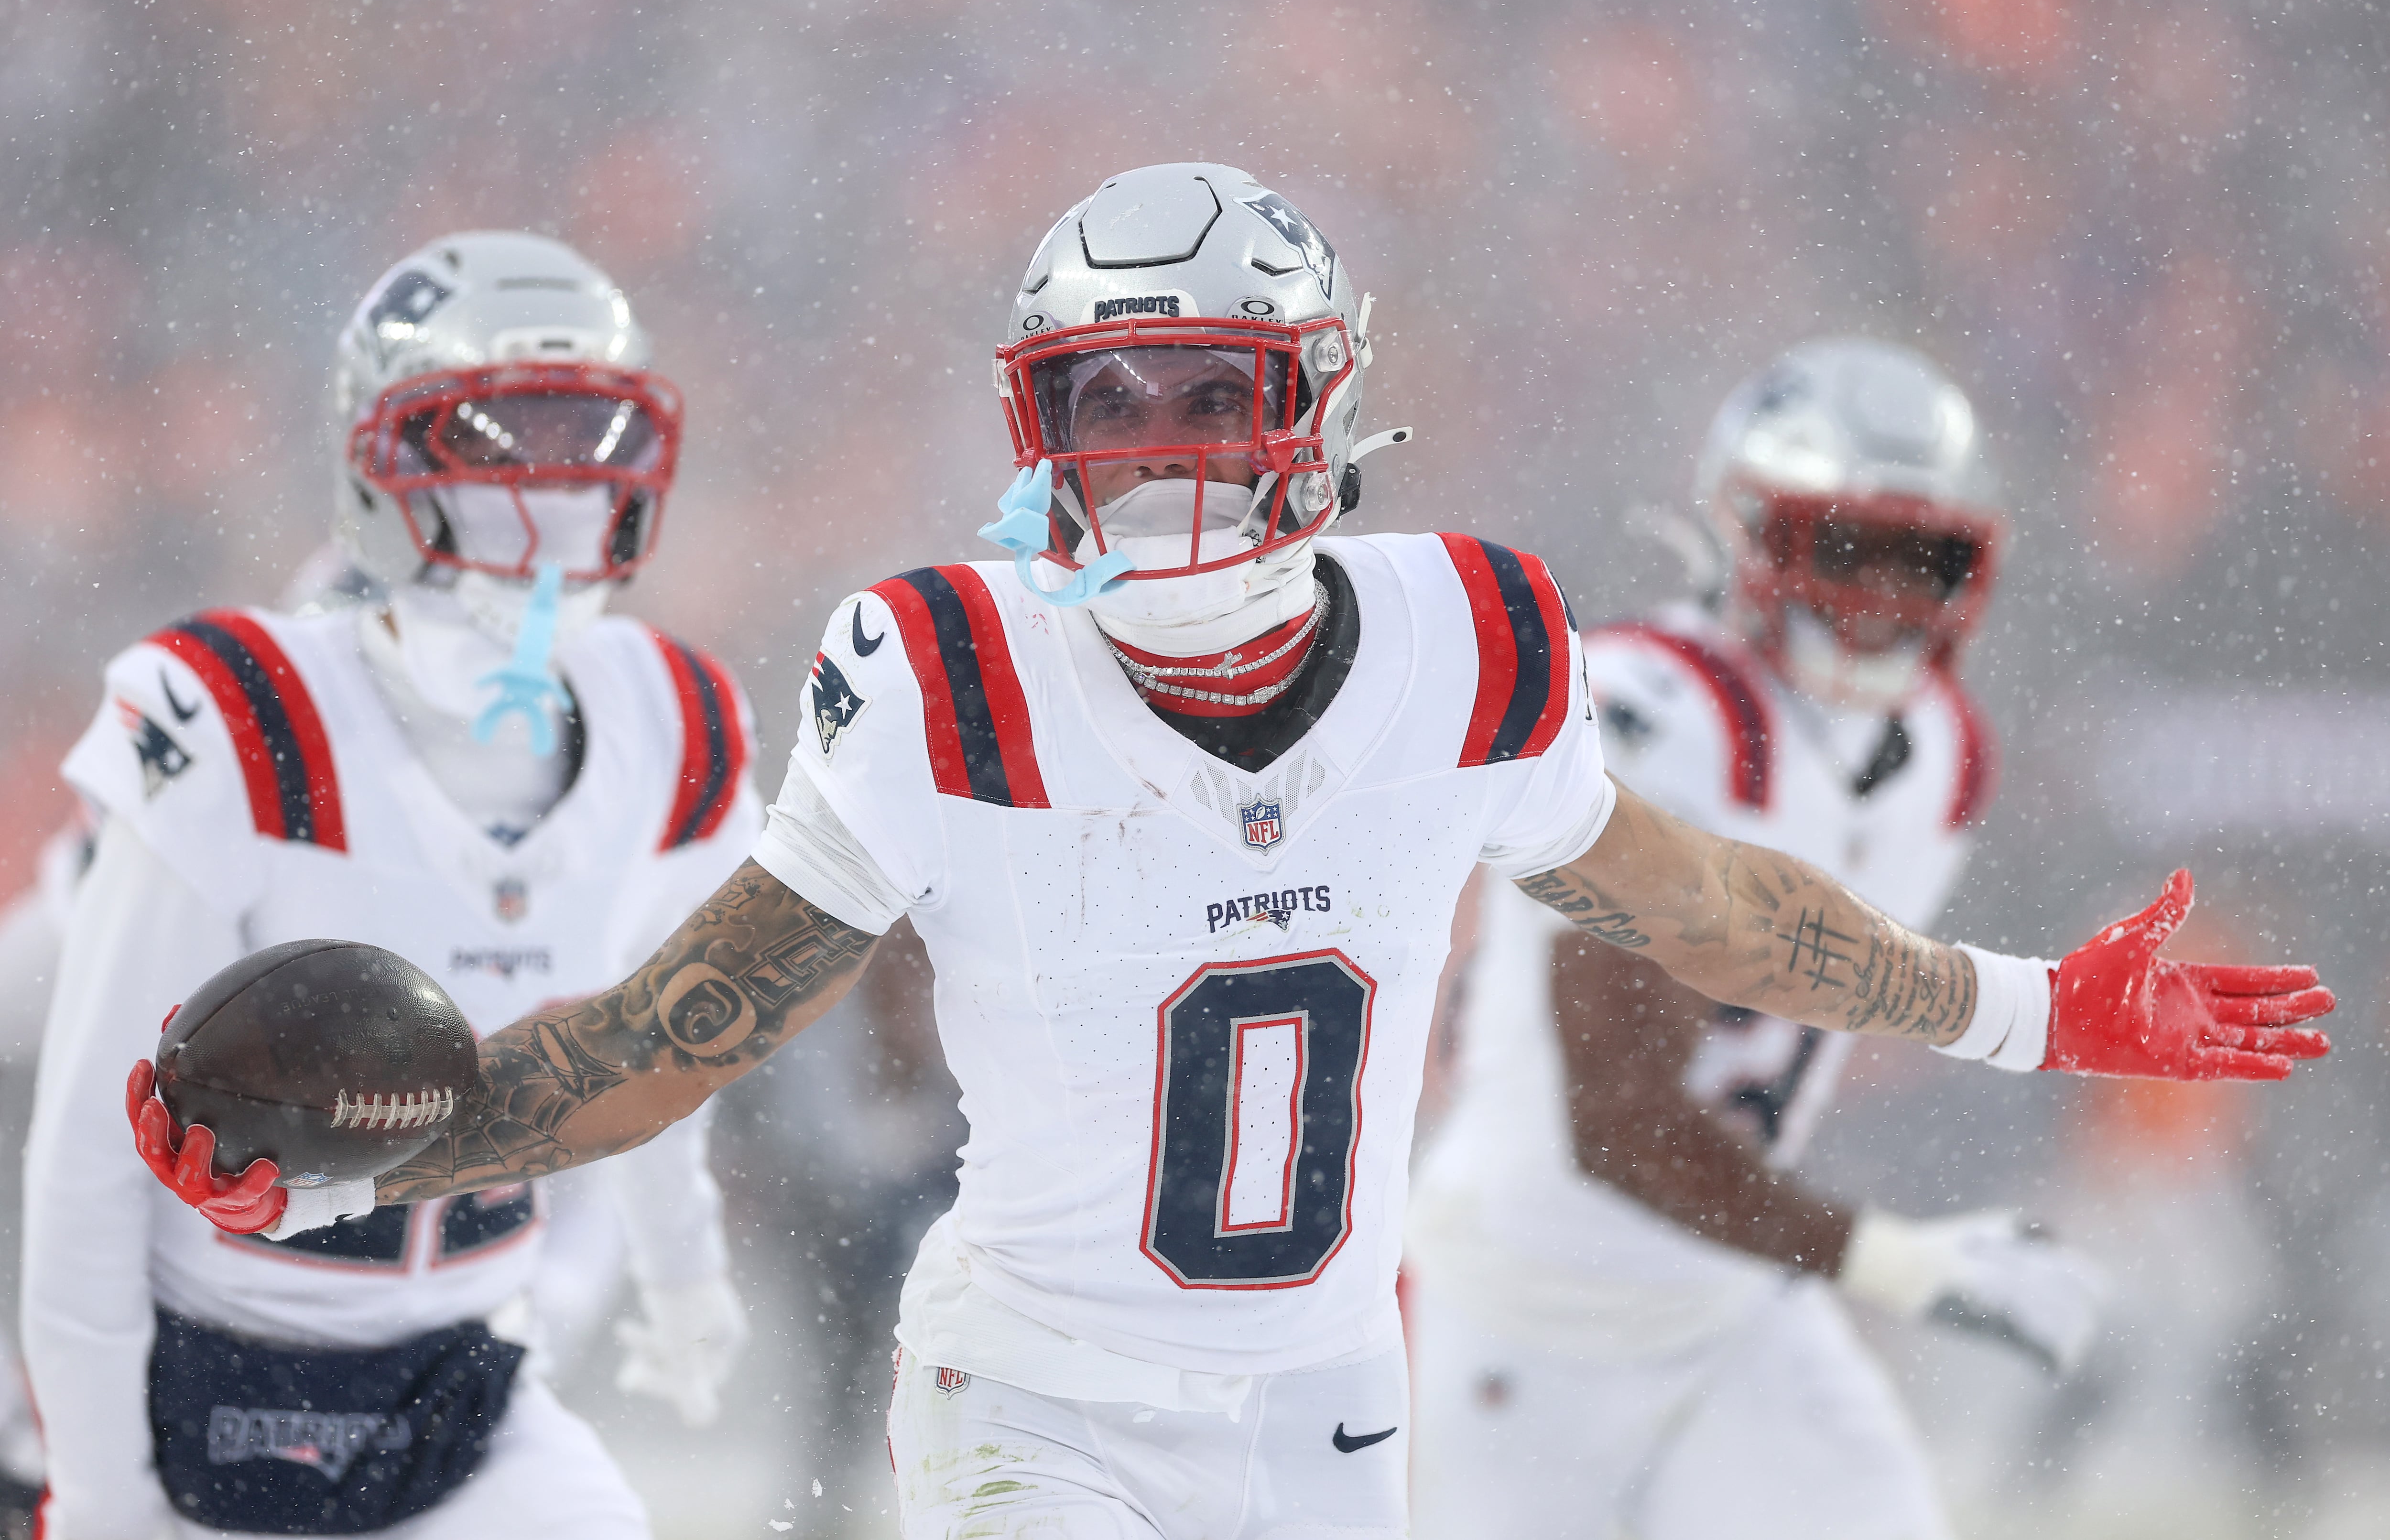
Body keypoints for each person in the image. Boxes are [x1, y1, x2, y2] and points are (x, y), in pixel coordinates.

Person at [133, 166, 2331, 1540]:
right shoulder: (941, 669)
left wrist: (2035, 1005)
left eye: (1215, 392)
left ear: (1320, 403)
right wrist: (369, 1152)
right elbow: (668, 1030)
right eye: (1113, 400)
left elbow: (1709, 904)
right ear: (1038, 431)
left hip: (1323, 1396)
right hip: (1039, 1400)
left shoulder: (1465, 645)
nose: (1166, 454)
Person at [33, 231, 755, 1539]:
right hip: (194, 1361)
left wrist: (665, 1271)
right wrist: (102, 1491)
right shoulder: (247, 717)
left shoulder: (674, 724)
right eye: (497, 440)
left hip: (451, 1386)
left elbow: (654, 1062)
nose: (550, 495)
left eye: (585, 438)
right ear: (384, 463)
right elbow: (89, 1154)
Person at [1406, 337, 2104, 1540]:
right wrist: (1896, 1261)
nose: (1884, 598)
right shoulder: (1650, 710)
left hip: (1732, 1308)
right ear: (1746, 528)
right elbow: (1621, 1124)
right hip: (1516, 1316)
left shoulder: (1943, 754)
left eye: (1920, 556)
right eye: (1846, 547)